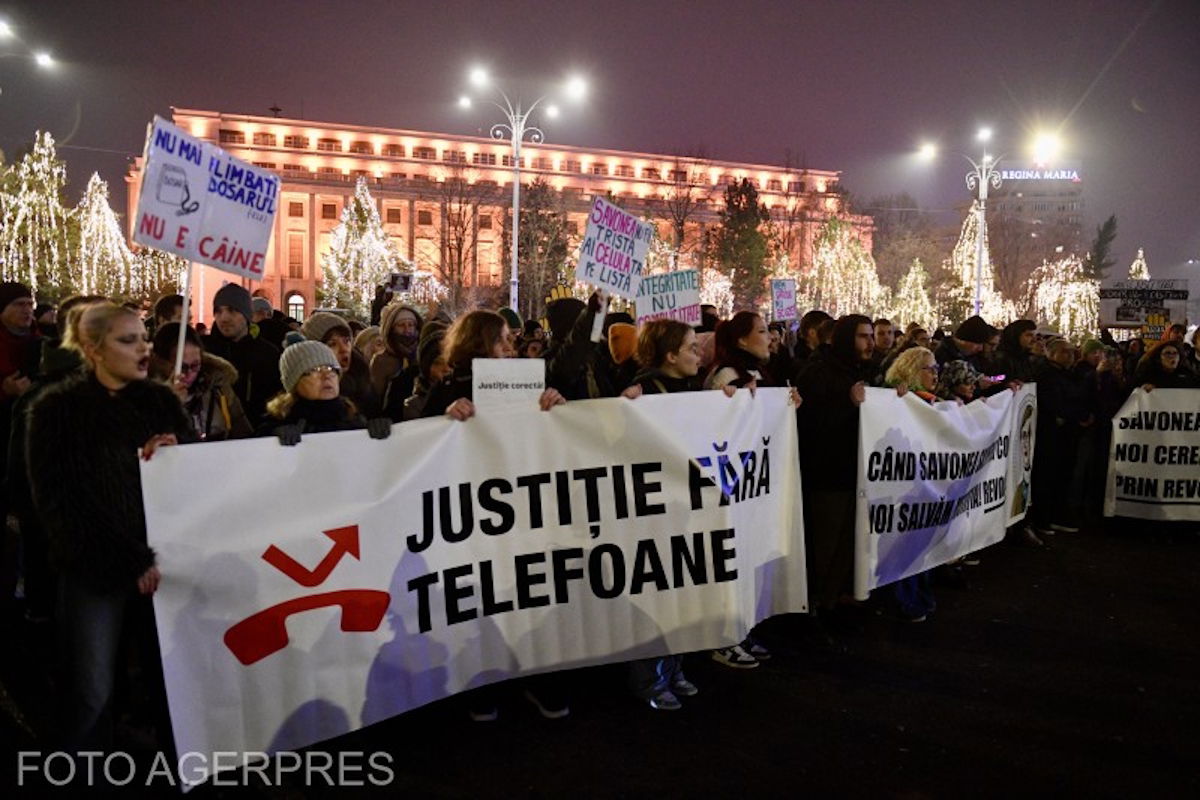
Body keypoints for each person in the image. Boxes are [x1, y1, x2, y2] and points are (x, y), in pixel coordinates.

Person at [27, 302, 192, 751]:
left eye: (144, 338)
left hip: (167, 569)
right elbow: (62, 506)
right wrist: (130, 561)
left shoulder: (160, 402)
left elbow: (195, 486)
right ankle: (86, 772)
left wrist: (177, 452)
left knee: (175, 682)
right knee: (91, 692)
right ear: (92, 349)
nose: (143, 348)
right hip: (94, 572)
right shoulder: (57, 412)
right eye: (128, 340)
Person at [421, 310, 567, 721]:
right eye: (501, 339)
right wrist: (444, 416)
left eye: (509, 339)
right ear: (478, 343)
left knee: (530, 595)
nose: (510, 346)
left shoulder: (526, 382)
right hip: (475, 515)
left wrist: (559, 406)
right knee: (484, 600)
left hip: (523, 508)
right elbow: (415, 442)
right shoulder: (447, 389)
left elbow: (554, 436)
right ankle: (483, 683)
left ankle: (537, 677)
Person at [619, 319, 715, 707]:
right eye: (692, 348)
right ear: (671, 356)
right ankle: (650, 678)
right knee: (658, 596)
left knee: (682, 594)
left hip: (684, 509)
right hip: (656, 514)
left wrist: (733, 403)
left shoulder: (689, 388)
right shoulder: (645, 391)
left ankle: (672, 666)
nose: (700, 353)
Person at [794, 315, 874, 619]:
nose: (870, 343)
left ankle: (836, 596)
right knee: (826, 542)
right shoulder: (818, 372)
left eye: (870, 336)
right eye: (863, 336)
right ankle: (817, 604)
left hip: (853, 471)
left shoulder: (858, 370)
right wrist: (848, 404)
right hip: (826, 474)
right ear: (845, 339)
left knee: (846, 541)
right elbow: (810, 424)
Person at [883, 347, 940, 621]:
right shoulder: (892, 397)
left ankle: (920, 595)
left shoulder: (929, 400)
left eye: (936, 368)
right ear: (911, 371)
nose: (935, 375)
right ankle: (904, 600)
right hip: (901, 487)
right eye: (929, 369)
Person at [258, 339, 392, 444]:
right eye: (314, 370)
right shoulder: (276, 423)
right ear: (294, 382)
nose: (327, 375)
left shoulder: (355, 418)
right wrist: (271, 438)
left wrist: (378, 431)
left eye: (331, 369)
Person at [150, 323, 252, 441]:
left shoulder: (218, 387)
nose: (189, 373)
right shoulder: (145, 395)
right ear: (161, 364)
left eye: (195, 365)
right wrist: (169, 406)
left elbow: (244, 433)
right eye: (182, 367)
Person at [203, 283, 282, 426]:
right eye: (218, 311)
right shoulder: (205, 354)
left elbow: (277, 402)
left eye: (232, 310)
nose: (224, 318)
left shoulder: (268, 354)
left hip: (257, 435)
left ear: (247, 315)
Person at [302, 311, 380, 418]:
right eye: (332, 344)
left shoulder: (364, 379)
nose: (344, 349)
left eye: (346, 341)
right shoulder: (304, 388)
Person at [372, 303, 423, 414]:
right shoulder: (381, 361)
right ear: (391, 329)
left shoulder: (422, 356)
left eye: (411, 325)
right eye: (401, 325)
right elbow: (375, 398)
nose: (407, 330)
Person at [705, 310, 773, 390]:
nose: (771, 337)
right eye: (762, 331)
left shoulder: (759, 371)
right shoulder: (727, 374)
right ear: (742, 340)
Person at [402, 322, 449, 421]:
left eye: (451, 362)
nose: (447, 369)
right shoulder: (414, 406)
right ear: (426, 367)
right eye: (438, 363)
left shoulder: (467, 397)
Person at [1135, 340, 1199, 390]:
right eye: (1167, 353)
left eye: (1175, 353)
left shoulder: (1187, 374)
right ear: (1159, 358)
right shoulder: (1149, 376)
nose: (1172, 356)